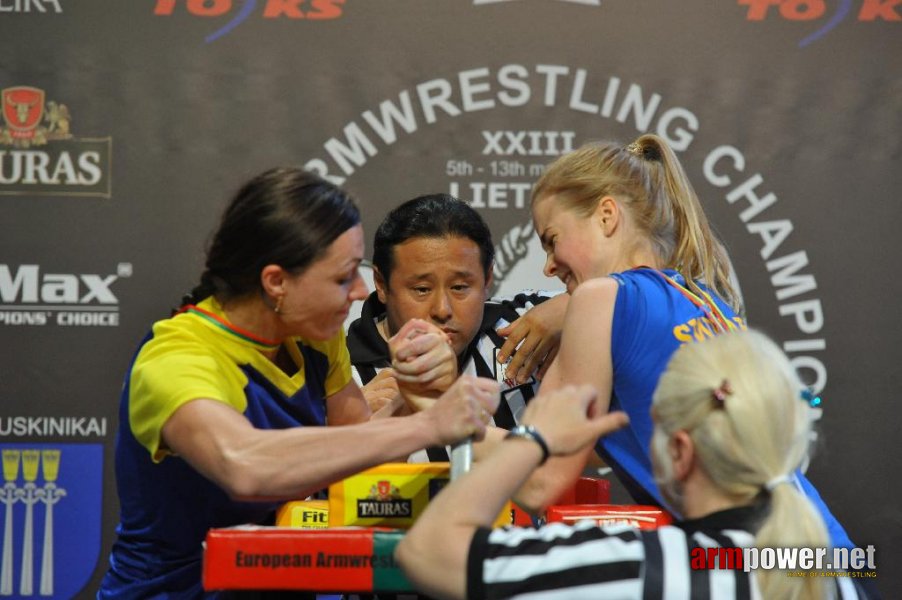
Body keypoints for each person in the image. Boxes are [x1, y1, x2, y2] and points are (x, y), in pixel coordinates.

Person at [97, 168, 500, 598]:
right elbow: (245, 466)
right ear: (276, 283)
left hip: (283, 585)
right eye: (343, 276)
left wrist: (408, 390)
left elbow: (354, 452)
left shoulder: (315, 338)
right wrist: (431, 424)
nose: (361, 292)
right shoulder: (178, 357)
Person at [504, 134, 854, 550]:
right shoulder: (705, 299)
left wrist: (445, 426)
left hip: (753, 567)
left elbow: (543, 478)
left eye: (552, 239)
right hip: (823, 553)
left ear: (606, 216)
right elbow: (620, 442)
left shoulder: (597, 300)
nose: (547, 266)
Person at [397, 329, 871, 600]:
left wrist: (532, 440)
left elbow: (427, 553)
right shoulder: (830, 572)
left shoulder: (638, 565)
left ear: (680, 452)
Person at [347, 193, 568, 461]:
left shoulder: (526, 320)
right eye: (421, 289)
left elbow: (631, 292)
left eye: (460, 287)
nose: (442, 309)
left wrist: (577, 304)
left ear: (487, 279)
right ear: (382, 285)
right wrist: (343, 433)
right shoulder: (342, 378)